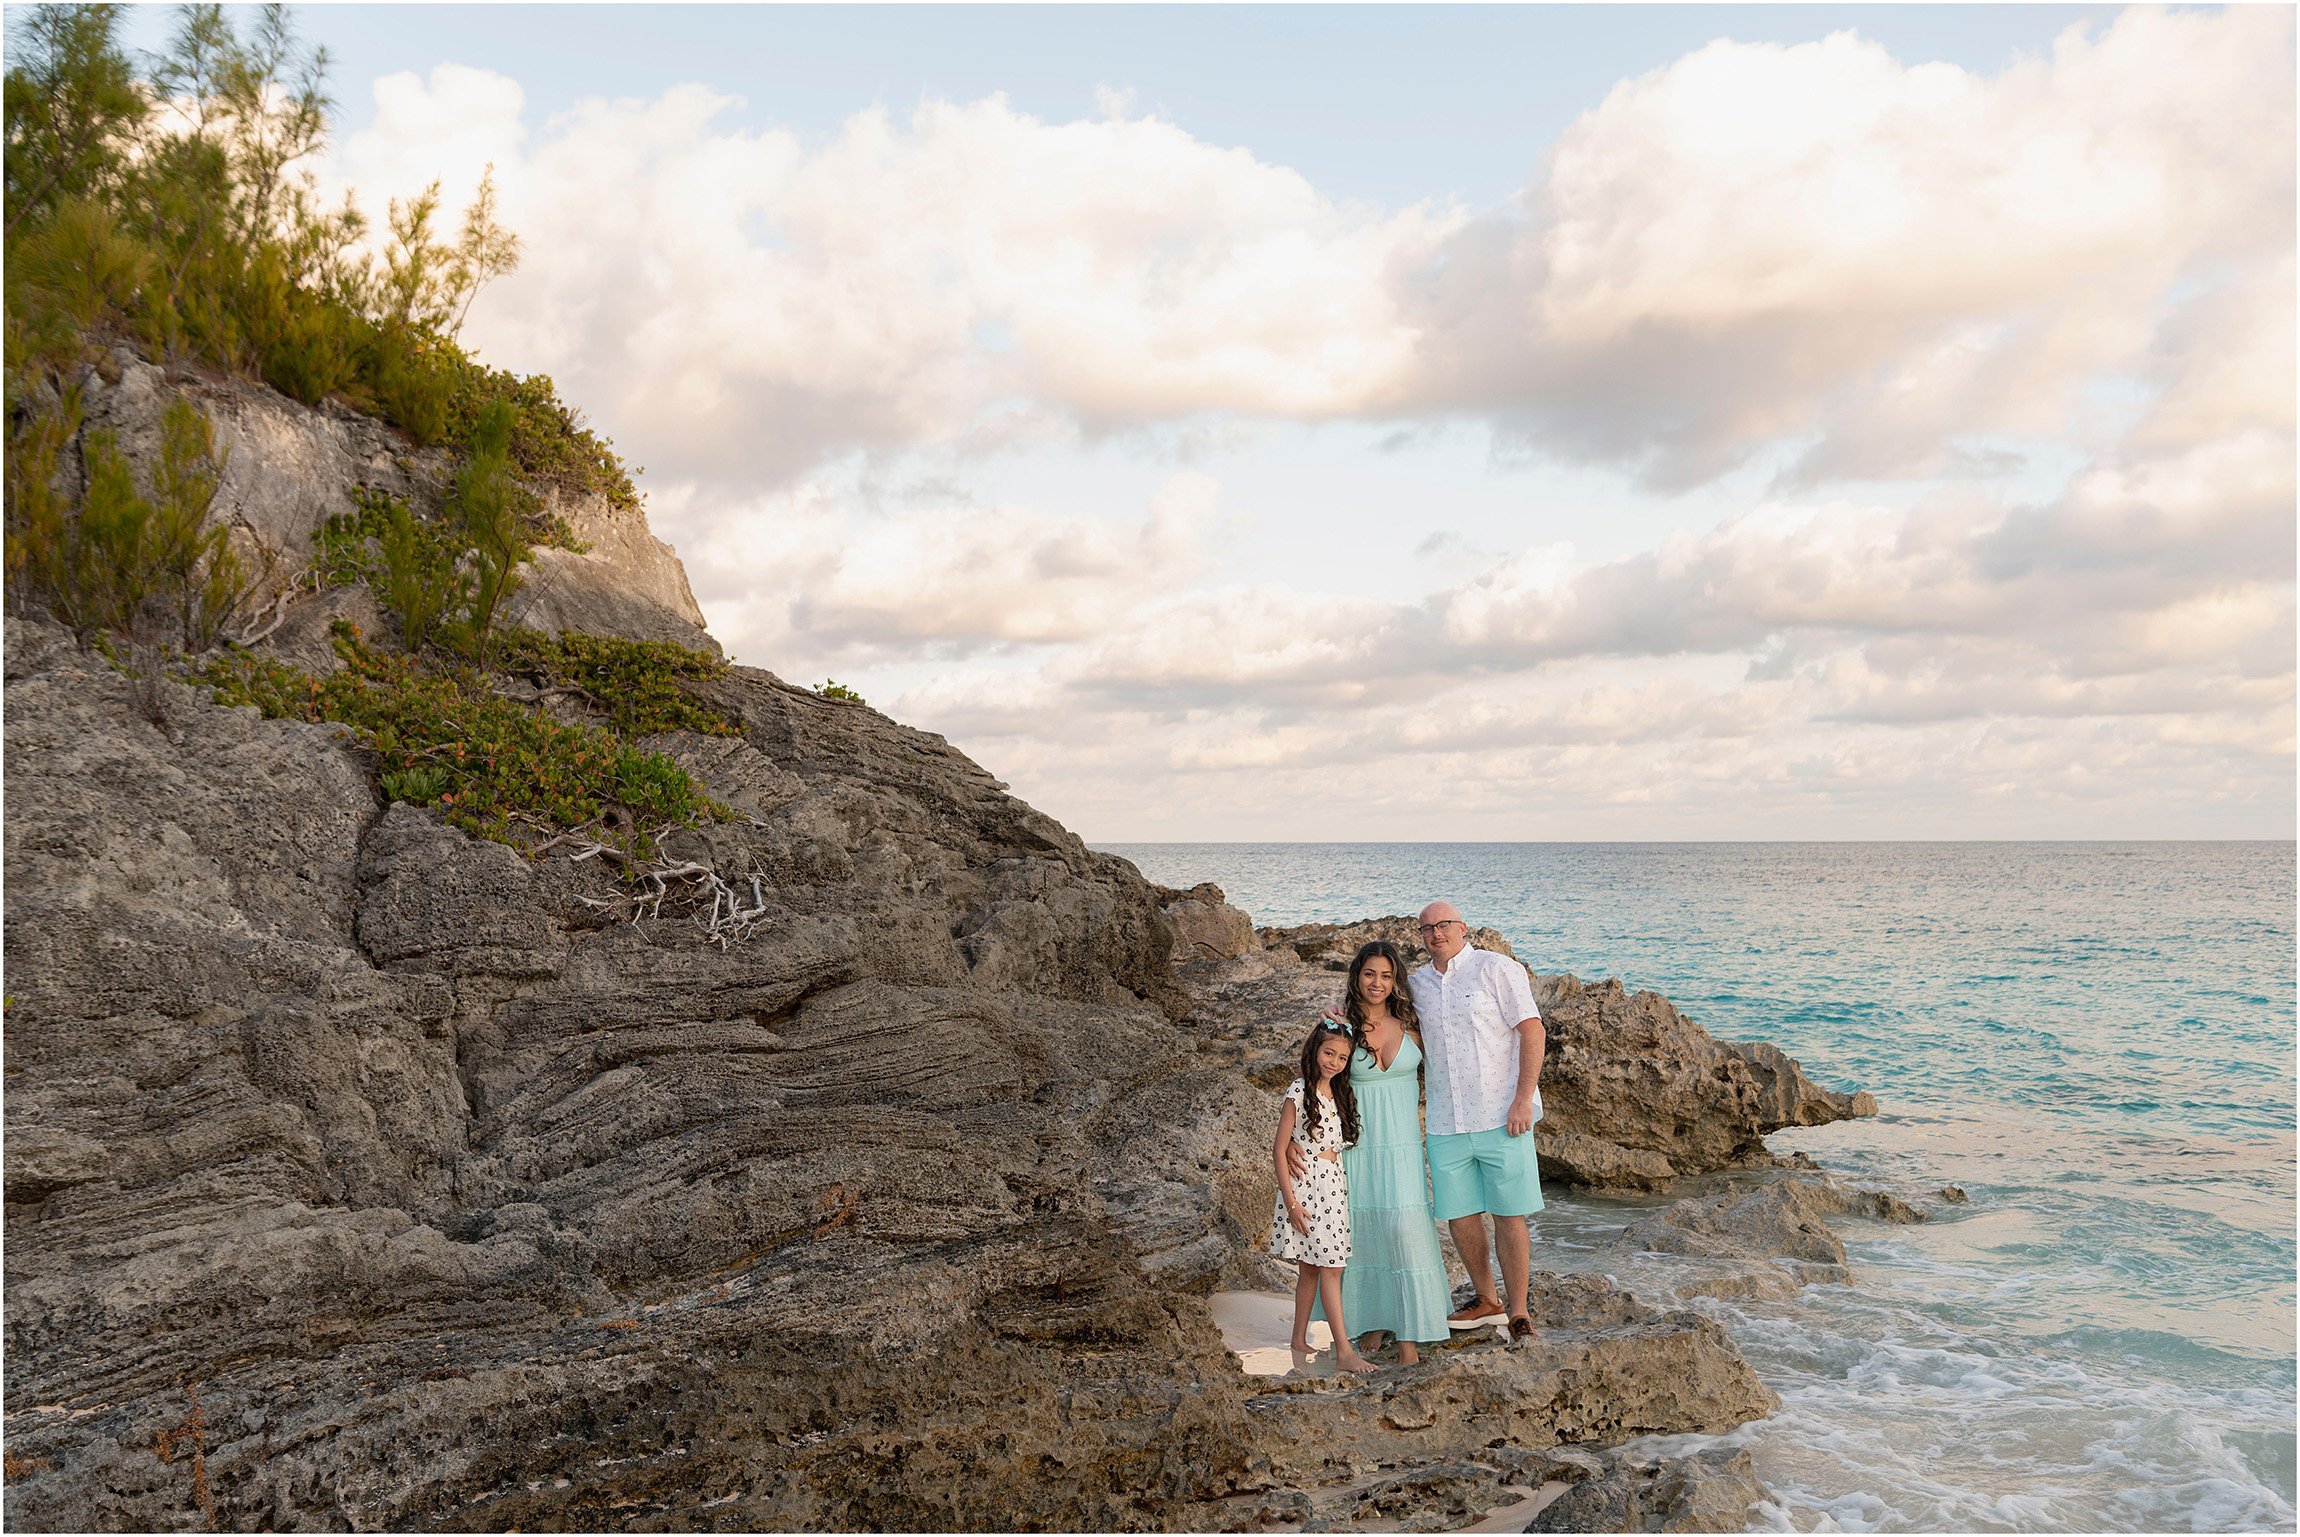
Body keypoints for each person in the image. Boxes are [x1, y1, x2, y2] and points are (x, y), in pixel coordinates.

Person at [1409, 901, 1546, 1340]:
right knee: (1460, 1215)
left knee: (1509, 1213)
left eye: (1444, 925)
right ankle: (1487, 1300)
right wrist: (1341, 1016)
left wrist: (1523, 1100)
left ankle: (1519, 1311)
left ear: (1462, 928)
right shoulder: (1415, 984)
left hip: (1502, 1115)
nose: (1436, 934)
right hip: (1446, 1121)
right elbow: (1376, 1014)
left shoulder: (1497, 968)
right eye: (1427, 928)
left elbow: (1532, 1030)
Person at [1319, 940, 1451, 1365]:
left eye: (1387, 975)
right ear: (1357, 977)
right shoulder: (1341, 1027)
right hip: (1358, 1146)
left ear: (1396, 982)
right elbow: (1317, 1083)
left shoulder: (1413, 1025)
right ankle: (1376, 1320)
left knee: (1404, 1230)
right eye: (1370, 974)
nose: (1377, 983)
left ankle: (1409, 1337)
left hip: (1404, 1147)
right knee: (1365, 1232)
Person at [1268, 1019, 1379, 1375]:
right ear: (1314, 1051)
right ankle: (1345, 1351)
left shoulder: (1342, 1095)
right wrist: (1292, 1204)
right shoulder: (1299, 1091)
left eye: (1342, 1057)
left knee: (1314, 1270)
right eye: (1328, 1052)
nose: (1333, 1061)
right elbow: (1279, 1148)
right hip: (1306, 1190)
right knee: (1330, 1268)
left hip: (1333, 1185)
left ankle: (1298, 1338)